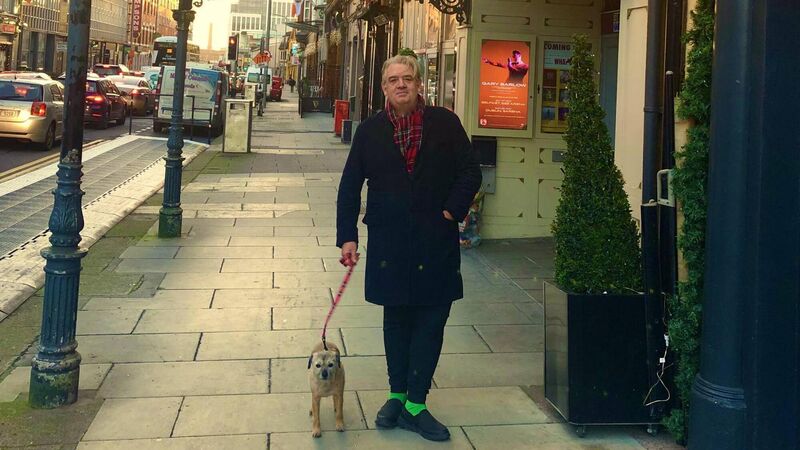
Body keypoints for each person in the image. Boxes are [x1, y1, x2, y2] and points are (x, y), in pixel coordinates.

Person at [336, 55, 482, 442]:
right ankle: (397, 396)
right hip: (390, 242)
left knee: (431, 320)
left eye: (408, 78)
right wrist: (347, 236)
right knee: (396, 320)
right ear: (384, 87)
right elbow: (350, 185)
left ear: (419, 84)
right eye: (393, 79)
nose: (401, 84)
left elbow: (471, 170)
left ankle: (416, 404)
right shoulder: (370, 131)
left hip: (435, 242)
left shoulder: (445, 123)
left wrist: (451, 210)